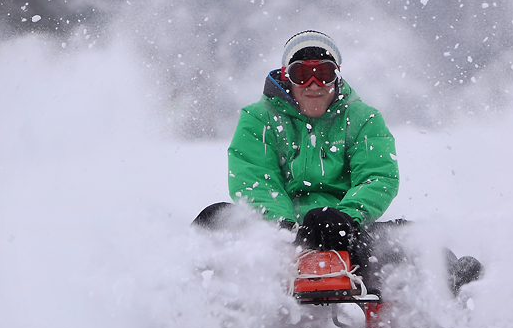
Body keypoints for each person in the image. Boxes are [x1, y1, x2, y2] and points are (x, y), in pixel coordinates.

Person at [193, 30, 483, 296]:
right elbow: (254, 178)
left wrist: (345, 219)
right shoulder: (258, 118)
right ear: (286, 77)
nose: (314, 84)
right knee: (213, 219)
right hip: (275, 238)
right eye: (302, 75)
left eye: (324, 73)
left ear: (337, 77)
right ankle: (194, 295)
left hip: (348, 234)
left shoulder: (363, 118)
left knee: (409, 238)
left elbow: (377, 176)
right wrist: (285, 227)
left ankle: (451, 284)